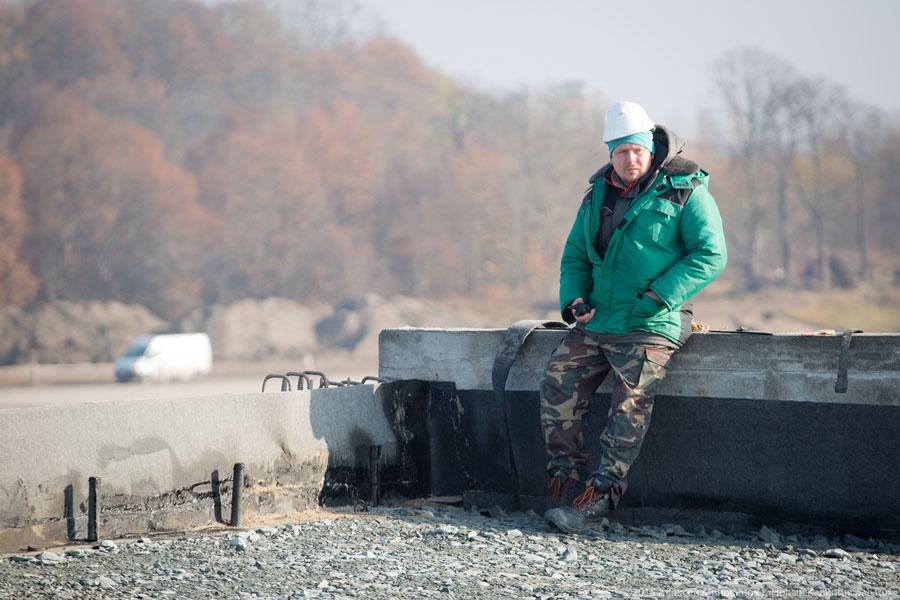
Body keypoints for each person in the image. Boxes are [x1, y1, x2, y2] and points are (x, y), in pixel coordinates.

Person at [541, 101, 727, 534]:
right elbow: (575, 256)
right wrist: (575, 301)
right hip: (599, 320)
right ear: (610, 153)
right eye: (621, 151)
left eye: (637, 151)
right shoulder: (597, 195)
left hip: (652, 322)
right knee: (557, 381)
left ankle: (598, 498)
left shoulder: (685, 191)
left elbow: (711, 254)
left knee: (629, 402)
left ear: (652, 149)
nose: (630, 159)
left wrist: (659, 296)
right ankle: (565, 485)